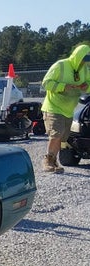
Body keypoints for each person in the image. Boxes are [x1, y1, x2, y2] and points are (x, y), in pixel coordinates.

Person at [41, 44, 90, 173]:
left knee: (62, 138)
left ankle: (54, 161)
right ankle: (48, 161)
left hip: (68, 110)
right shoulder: (60, 65)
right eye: (84, 60)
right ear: (78, 57)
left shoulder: (85, 70)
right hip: (53, 107)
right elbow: (46, 83)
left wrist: (86, 86)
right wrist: (63, 86)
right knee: (55, 135)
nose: (85, 63)